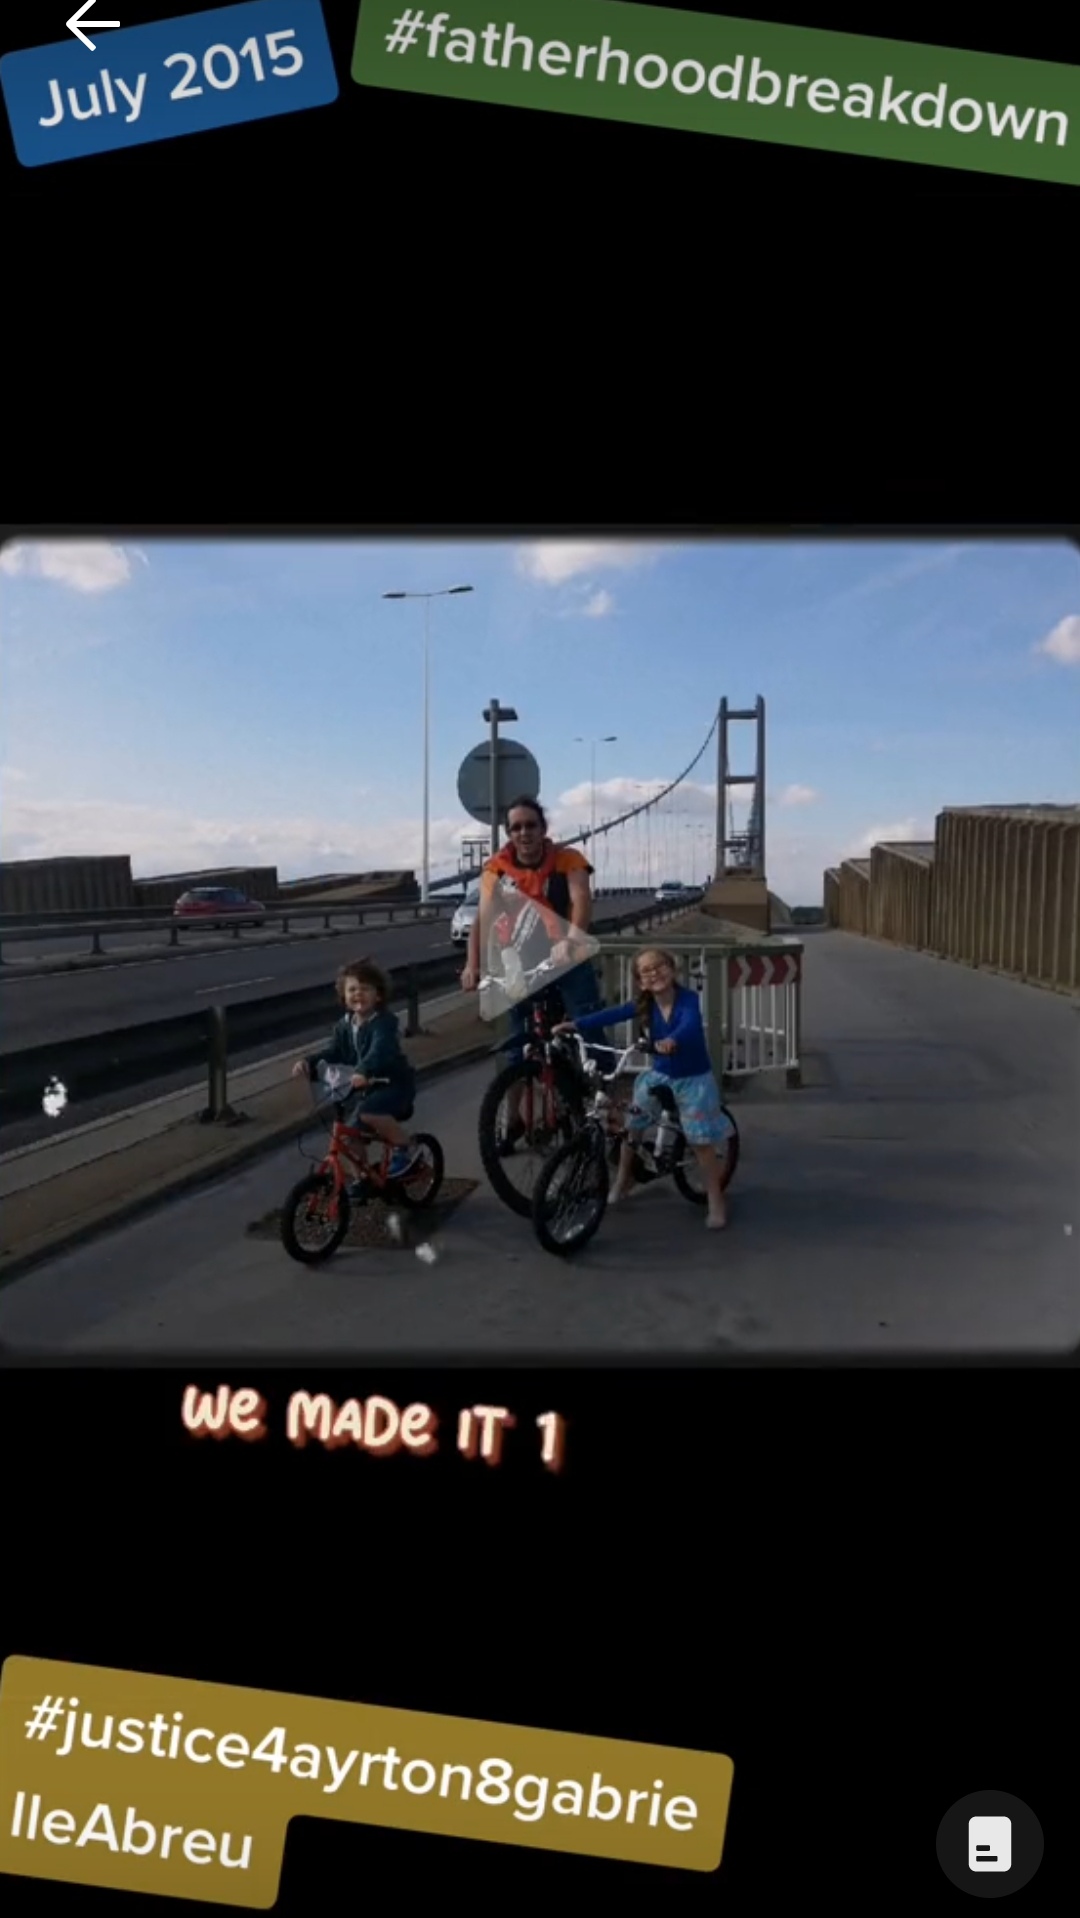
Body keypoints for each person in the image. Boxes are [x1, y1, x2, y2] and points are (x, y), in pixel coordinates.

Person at [460, 795, 604, 1152]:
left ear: (543, 829)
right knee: (515, 1048)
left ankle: (607, 1115)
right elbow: (483, 918)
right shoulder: (497, 868)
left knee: (590, 1031)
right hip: (519, 963)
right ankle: (514, 1121)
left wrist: (570, 940)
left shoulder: (568, 860)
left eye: (531, 825)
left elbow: (581, 899)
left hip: (565, 958)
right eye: (516, 827)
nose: (524, 832)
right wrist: (472, 964)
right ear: (509, 833)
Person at [555, 946, 733, 1229]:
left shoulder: (687, 999)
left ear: (672, 969)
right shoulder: (643, 1004)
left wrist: (672, 1040)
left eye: (660, 966)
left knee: (700, 1142)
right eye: (646, 971)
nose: (654, 974)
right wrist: (576, 1025)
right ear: (640, 981)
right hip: (660, 1074)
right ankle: (624, 1178)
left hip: (693, 1079)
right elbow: (612, 1014)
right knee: (633, 1126)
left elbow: (689, 1024)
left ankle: (715, 1199)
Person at [291, 960, 421, 1184]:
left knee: (368, 1113)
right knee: (349, 1136)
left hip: (394, 1085)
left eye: (365, 989)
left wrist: (363, 1071)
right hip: (365, 1089)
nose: (358, 994)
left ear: (378, 996)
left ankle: (406, 1149)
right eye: (352, 989)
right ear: (344, 995)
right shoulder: (344, 1025)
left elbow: (381, 1050)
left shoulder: (384, 1023)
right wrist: (309, 1063)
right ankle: (363, 1178)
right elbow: (334, 1052)